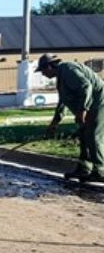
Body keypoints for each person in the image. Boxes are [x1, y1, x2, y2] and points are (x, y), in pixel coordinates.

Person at [37, 53, 104, 183]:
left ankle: (100, 171)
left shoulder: (68, 69)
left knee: (93, 135)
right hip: (90, 106)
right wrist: (55, 122)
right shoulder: (61, 77)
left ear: (50, 67)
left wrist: (83, 110)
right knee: (83, 134)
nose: (43, 74)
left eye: (43, 71)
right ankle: (84, 168)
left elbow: (86, 86)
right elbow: (63, 101)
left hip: (100, 103)